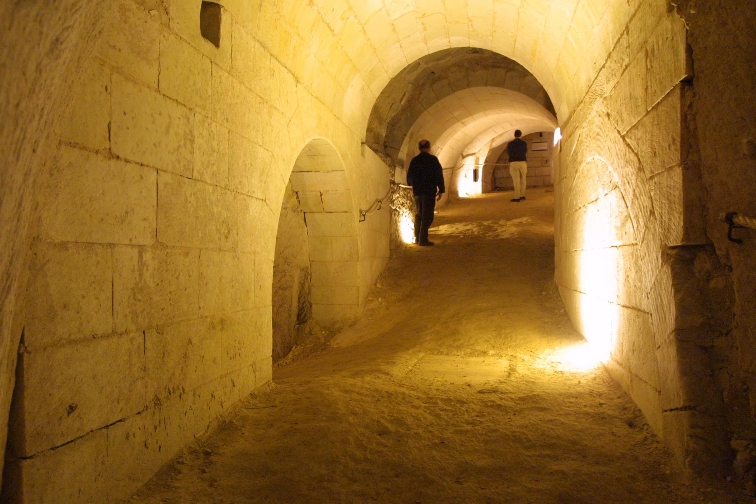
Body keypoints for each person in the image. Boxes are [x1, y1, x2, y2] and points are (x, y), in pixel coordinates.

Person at [407, 139, 445, 246]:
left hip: (418, 192)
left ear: (419, 148)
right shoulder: (433, 160)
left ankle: (418, 238)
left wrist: (412, 184)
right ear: (429, 148)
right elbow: (439, 175)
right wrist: (441, 190)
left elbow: (409, 177)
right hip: (428, 191)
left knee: (420, 214)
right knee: (427, 215)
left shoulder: (415, 160)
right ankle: (423, 239)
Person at [507, 129, 528, 202]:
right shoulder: (524, 143)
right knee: (523, 179)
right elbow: (525, 151)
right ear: (521, 135)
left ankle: (517, 197)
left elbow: (509, 152)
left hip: (513, 162)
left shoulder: (510, 144)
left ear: (514, 135)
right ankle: (522, 195)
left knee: (516, 180)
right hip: (522, 161)